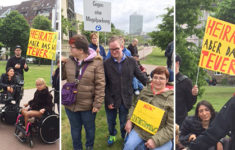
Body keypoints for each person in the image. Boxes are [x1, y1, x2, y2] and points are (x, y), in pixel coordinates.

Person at [62, 34, 105, 150]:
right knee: (75, 130)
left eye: (72, 47)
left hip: (88, 106)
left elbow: (100, 85)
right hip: (71, 104)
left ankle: (89, 147)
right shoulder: (69, 61)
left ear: (81, 50)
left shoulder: (96, 63)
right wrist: (60, 65)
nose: (70, 49)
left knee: (89, 129)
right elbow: (60, 77)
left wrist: (97, 103)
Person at [104, 36, 148, 145]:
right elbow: (104, 84)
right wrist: (108, 100)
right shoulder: (106, 63)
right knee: (111, 121)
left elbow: (140, 76)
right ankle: (112, 134)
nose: (114, 51)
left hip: (126, 98)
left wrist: (152, 84)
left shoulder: (132, 61)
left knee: (124, 121)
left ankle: (125, 137)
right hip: (111, 98)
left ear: (122, 47)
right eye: (111, 49)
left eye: (116, 48)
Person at [124, 66, 174, 150]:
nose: (157, 81)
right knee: (128, 146)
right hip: (140, 130)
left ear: (167, 80)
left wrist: (155, 140)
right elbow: (135, 106)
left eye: (161, 78)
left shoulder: (171, 99)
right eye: (155, 77)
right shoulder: (145, 91)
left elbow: (171, 127)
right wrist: (129, 120)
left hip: (159, 133)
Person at [176, 54, 198, 126]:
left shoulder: (186, 81)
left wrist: (194, 95)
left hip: (180, 121)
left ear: (177, 63)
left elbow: (190, 103)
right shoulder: (166, 77)